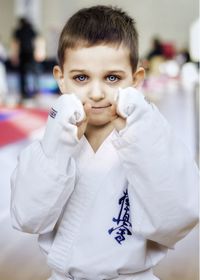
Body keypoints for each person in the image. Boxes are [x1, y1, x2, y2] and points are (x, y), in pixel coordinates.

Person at [10, 5, 199, 280]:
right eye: (81, 78)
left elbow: (178, 217)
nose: (97, 93)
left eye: (112, 78)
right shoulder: (51, 144)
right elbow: (27, 217)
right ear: (60, 80)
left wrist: (143, 135)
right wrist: (57, 148)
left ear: (135, 80)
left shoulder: (151, 139)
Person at [12, 17, 38, 102]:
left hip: (22, 54)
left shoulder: (18, 31)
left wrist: (15, 56)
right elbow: (35, 42)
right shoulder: (31, 30)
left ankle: (24, 92)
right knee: (33, 73)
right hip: (30, 54)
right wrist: (37, 53)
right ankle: (34, 90)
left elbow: (16, 44)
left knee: (22, 74)